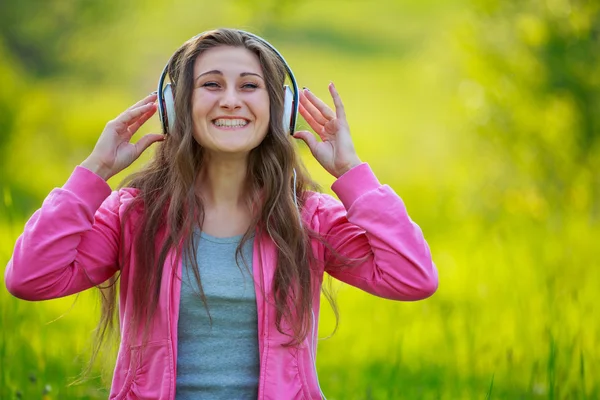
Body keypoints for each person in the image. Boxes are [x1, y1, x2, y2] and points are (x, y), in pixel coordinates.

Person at [4, 28, 438, 399]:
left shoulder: (307, 218)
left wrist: (352, 173)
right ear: (177, 107)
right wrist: (94, 172)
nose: (231, 100)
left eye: (249, 86)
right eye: (211, 85)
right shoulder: (135, 215)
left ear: (278, 109)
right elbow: (30, 277)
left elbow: (412, 278)